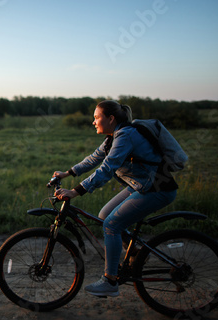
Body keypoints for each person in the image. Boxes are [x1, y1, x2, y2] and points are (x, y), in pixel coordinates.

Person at [53, 100, 178, 297]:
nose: (93, 122)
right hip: (143, 186)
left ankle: (110, 281)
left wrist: (75, 191)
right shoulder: (114, 136)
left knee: (111, 225)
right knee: (104, 215)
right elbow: (94, 158)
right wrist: (67, 173)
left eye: (96, 117)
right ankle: (135, 252)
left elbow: (107, 169)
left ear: (110, 119)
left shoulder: (125, 135)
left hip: (158, 189)